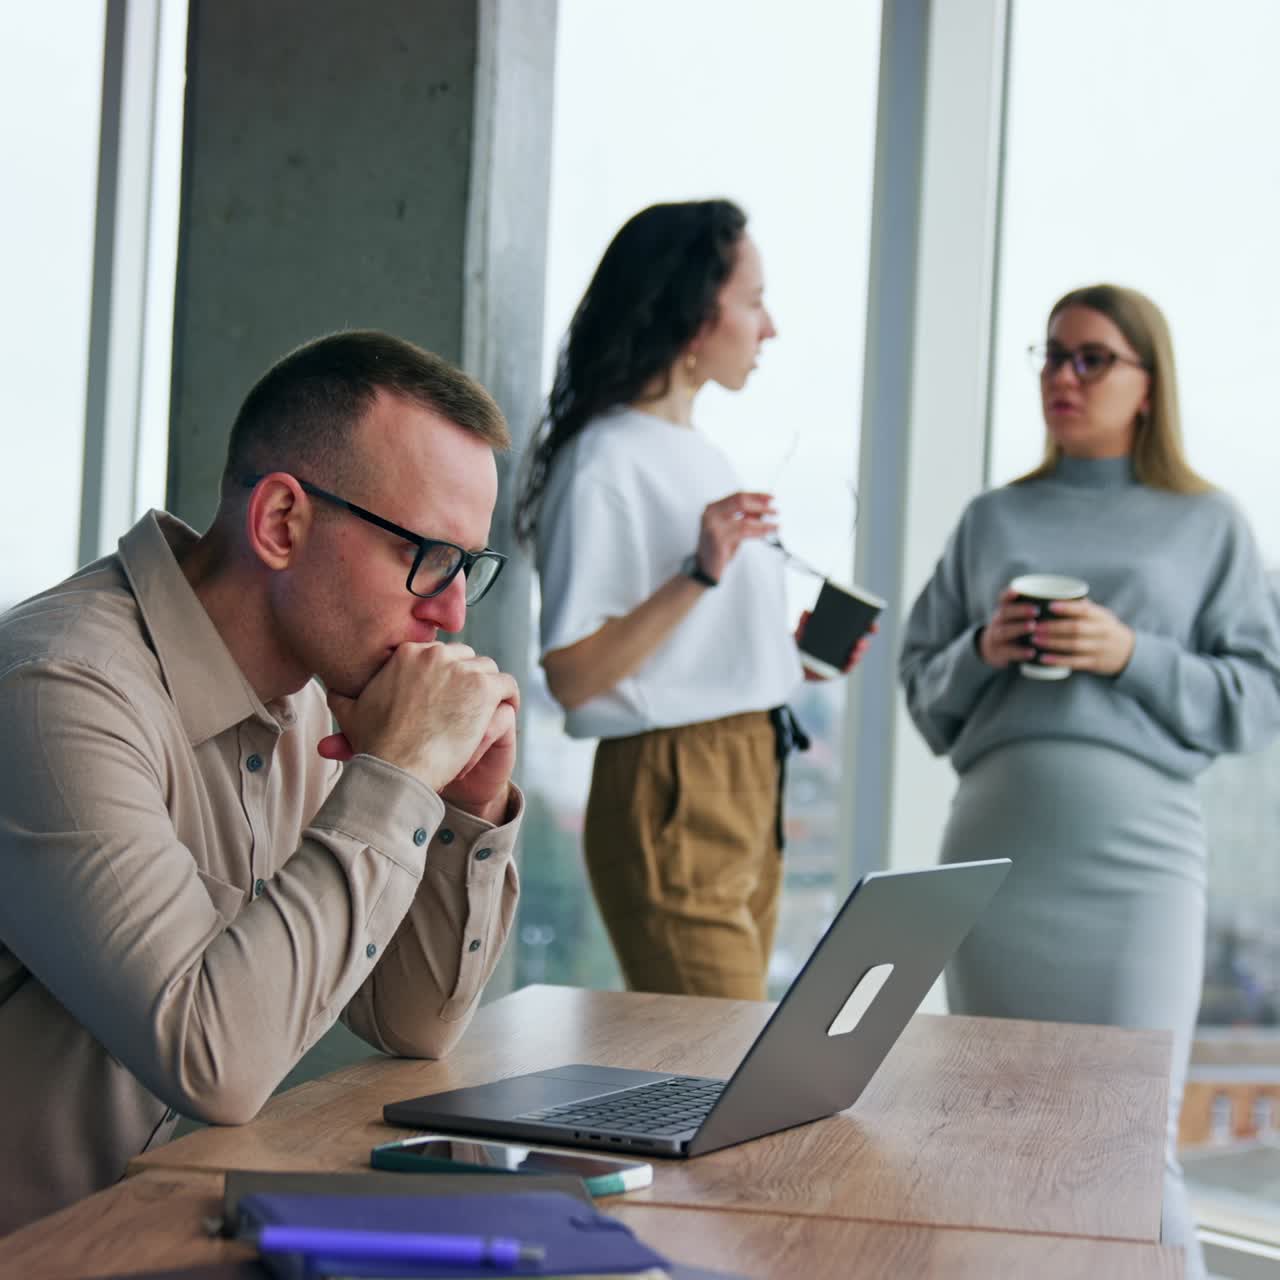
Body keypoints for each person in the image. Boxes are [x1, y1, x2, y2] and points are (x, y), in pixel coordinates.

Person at [0, 331, 523, 1231]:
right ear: (282, 523)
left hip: (177, 1232)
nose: (450, 610)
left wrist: (461, 810)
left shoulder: (320, 702)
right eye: (429, 554)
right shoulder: (57, 690)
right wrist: (394, 777)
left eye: (468, 566)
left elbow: (412, 1020)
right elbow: (218, 1059)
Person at [899, 284, 1280, 1278]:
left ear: (1146, 385)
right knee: (994, 1134)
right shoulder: (993, 517)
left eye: (1090, 358)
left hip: (1136, 866)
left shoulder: (1206, 524)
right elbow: (921, 690)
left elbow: (1257, 694)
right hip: (991, 861)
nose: (1060, 377)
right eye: (1049, 354)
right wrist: (982, 647)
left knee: (1128, 1144)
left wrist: (1127, 653)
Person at [515, 199, 870, 1001]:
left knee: (718, 1060)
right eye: (753, 301)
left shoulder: (699, 454)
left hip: (749, 772)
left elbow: (680, 653)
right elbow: (572, 675)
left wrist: (791, 658)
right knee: (722, 1062)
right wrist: (700, 573)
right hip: (673, 783)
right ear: (691, 312)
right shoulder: (603, 460)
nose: (769, 328)